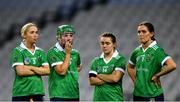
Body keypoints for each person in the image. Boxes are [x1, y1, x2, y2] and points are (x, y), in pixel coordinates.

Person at [127, 21, 176, 101]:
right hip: (137, 94)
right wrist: (136, 82)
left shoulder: (157, 50)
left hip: (152, 95)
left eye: (144, 31)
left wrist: (157, 75)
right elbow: (130, 67)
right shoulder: (136, 51)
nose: (140, 34)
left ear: (151, 34)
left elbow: (172, 65)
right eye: (139, 32)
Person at [10, 22, 50, 101]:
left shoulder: (40, 52)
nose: (35, 35)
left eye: (36, 32)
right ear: (24, 35)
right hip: (22, 93)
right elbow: (20, 71)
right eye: (32, 32)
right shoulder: (18, 51)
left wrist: (30, 67)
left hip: (37, 92)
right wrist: (39, 69)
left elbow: (48, 70)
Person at [47, 24, 82, 101]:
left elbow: (79, 66)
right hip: (59, 95)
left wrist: (72, 72)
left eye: (71, 35)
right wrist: (68, 53)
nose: (69, 38)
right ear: (58, 37)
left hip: (74, 94)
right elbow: (62, 71)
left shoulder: (75, 53)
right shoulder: (53, 52)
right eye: (65, 35)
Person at [89, 32, 126, 101]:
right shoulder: (96, 61)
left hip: (115, 99)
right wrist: (109, 76)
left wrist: (98, 75)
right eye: (102, 43)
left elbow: (115, 78)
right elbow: (92, 81)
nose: (104, 46)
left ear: (114, 44)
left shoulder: (120, 59)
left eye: (107, 43)